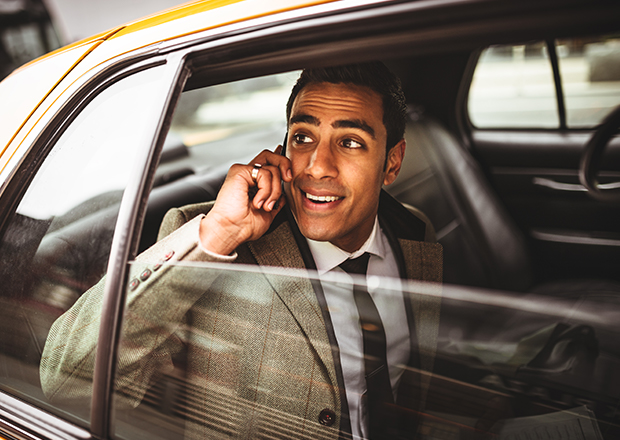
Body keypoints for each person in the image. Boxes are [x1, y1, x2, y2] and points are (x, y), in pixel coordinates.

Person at [41, 62, 442, 440]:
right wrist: (219, 233)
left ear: (392, 163)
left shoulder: (414, 232)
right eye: (302, 138)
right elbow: (67, 381)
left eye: (350, 142)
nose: (317, 166)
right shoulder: (214, 245)